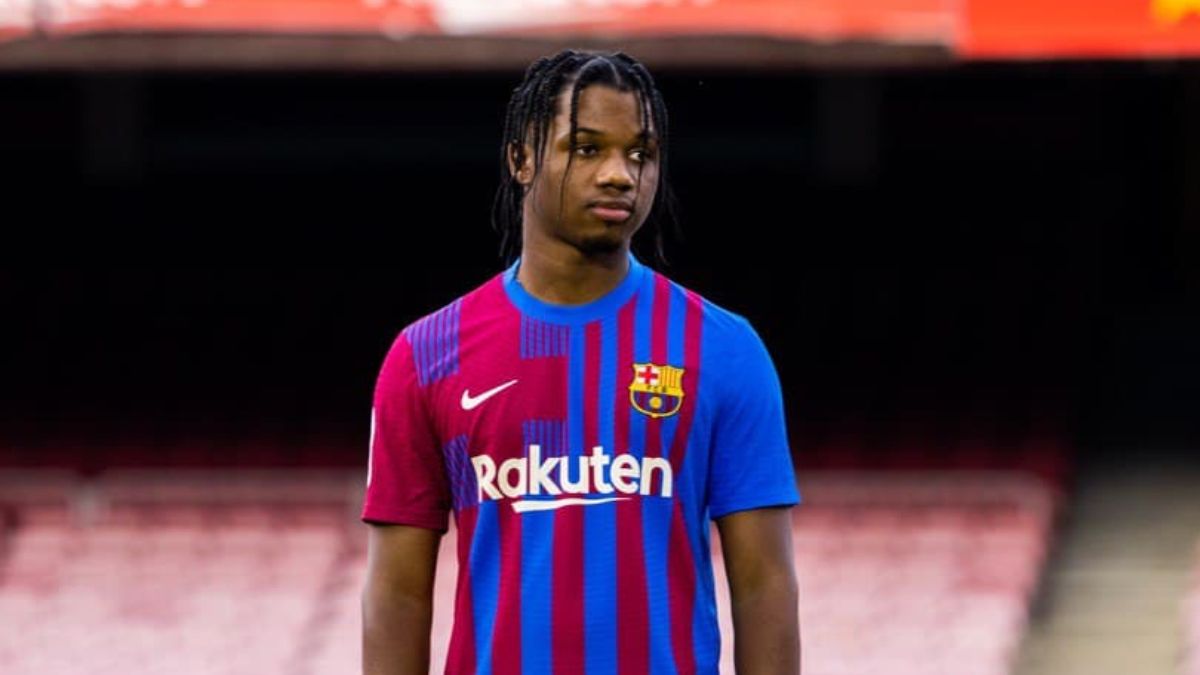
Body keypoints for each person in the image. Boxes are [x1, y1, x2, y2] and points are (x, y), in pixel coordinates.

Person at [361, 49, 801, 675]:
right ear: (521, 158)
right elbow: (397, 594)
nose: (620, 174)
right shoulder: (425, 356)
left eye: (640, 153)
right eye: (587, 148)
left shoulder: (725, 349)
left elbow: (765, 586)